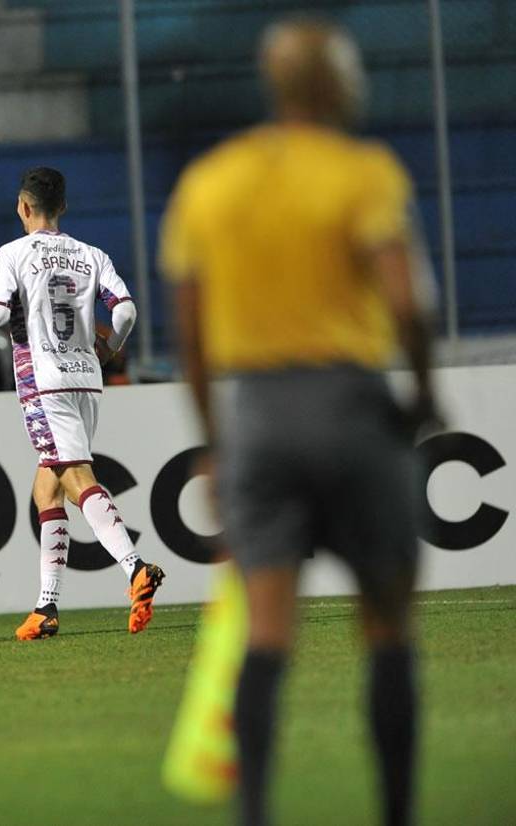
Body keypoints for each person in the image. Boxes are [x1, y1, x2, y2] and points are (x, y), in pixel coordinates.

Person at [159, 19, 437, 826]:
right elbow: (405, 300)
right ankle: (396, 811)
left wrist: (215, 438)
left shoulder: (212, 181)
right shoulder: (363, 173)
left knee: (267, 628)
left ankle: (254, 813)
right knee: (387, 622)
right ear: (333, 83)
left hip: (258, 417)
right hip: (350, 405)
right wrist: (420, 393)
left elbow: (192, 331)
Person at [0, 167, 165, 640]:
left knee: (77, 477)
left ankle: (134, 568)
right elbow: (124, 309)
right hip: (88, 377)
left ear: (23, 207)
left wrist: (20, 318)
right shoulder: (91, 255)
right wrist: (111, 349)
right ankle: (46, 607)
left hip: (43, 381)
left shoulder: (12, 253)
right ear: (62, 207)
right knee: (47, 490)